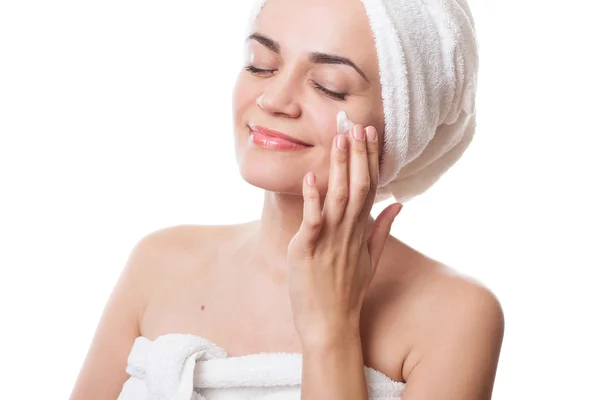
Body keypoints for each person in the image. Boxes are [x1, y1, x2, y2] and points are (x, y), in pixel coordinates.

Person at [70, 0, 504, 398]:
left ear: (404, 120)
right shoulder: (157, 263)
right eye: (261, 65)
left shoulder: (455, 316)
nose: (273, 99)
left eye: (329, 86)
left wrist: (330, 329)